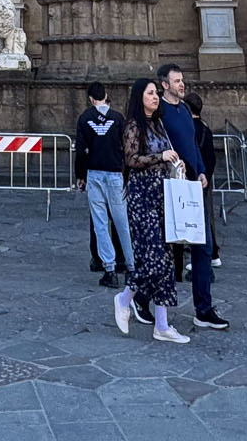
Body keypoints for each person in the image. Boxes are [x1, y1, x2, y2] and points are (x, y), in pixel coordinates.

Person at [110, 77, 187, 344]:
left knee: (166, 259)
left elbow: (166, 155)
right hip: (142, 196)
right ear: (139, 97)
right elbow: (131, 160)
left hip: (162, 194)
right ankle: (125, 298)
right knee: (154, 258)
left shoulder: (159, 124)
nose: (155, 97)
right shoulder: (133, 126)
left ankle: (162, 325)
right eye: (150, 93)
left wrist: (175, 163)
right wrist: (160, 157)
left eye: (156, 93)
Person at [154, 64, 228, 331]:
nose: (181, 84)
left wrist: (201, 170)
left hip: (193, 187)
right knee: (161, 250)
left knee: (203, 246)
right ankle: (137, 298)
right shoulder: (159, 112)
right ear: (165, 85)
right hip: (171, 186)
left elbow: (193, 145)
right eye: (176, 81)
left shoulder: (184, 110)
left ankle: (204, 309)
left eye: (182, 80)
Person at [72, 82, 131, 288]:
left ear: (90, 99)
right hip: (115, 173)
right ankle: (131, 266)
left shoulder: (85, 118)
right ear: (106, 95)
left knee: (100, 223)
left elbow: (81, 151)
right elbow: (125, 147)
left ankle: (109, 270)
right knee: (122, 221)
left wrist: (80, 176)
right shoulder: (118, 118)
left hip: (94, 173)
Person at [184, 91, 220, 269]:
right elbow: (212, 157)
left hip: (194, 177)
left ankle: (201, 258)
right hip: (205, 178)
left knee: (195, 219)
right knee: (205, 217)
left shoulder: (188, 129)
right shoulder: (206, 128)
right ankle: (213, 254)